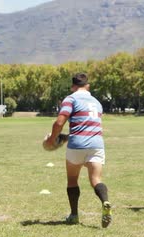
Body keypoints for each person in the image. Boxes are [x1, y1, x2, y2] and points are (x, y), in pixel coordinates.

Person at [44, 73, 112, 228]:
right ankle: (105, 201)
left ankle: (74, 215)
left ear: (73, 86)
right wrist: (66, 136)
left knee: (73, 179)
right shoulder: (96, 102)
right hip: (96, 144)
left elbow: (59, 122)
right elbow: (86, 125)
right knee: (96, 180)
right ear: (87, 85)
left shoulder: (71, 99)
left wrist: (52, 138)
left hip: (77, 145)